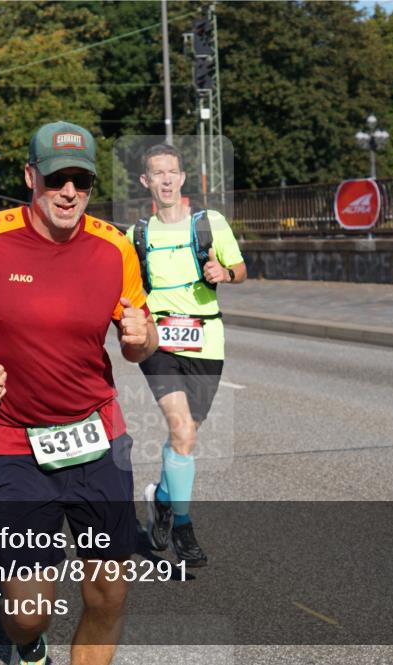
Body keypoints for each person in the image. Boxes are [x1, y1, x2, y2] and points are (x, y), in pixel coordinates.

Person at [0, 121, 157, 665]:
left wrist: (140, 337)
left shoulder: (114, 246)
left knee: (109, 593)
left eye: (81, 180)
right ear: (31, 176)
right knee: (28, 613)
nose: (69, 192)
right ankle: (30, 647)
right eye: (57, 178)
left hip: (98, 437)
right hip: (16, 443)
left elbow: (139, 342)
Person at [127, 143, 247, 568]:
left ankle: (161, 498)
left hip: (206, 339)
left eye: (172, 172)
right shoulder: (136, 235)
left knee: (187, 435)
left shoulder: (209, 223)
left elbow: (240, 270)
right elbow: (123, 288)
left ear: (182, 178)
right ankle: (182, 525)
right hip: (159, 341)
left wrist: (223, 273)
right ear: (146, 182)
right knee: (181, 428)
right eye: (156, 173)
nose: (165, 179)